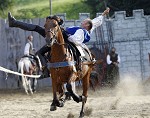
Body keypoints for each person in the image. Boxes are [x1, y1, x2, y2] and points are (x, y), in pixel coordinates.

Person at [8, 8, 110, 78]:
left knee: (38, 32)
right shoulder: (85, 28)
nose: (83, 21)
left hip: (63, 39)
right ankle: (14, 23)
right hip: (58, 35)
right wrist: (103, 15)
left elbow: (75, 39)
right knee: (37, 29)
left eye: (85, 21)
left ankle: (46, 71)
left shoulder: (82, 31)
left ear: (87, 25)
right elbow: (95, 22)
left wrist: (65, 34)